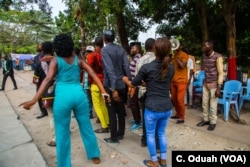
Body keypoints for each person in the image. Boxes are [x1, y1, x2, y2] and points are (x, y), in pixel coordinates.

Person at [19, 34, 110, 166]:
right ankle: (95, 155)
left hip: (62, 98)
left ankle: (64, 164)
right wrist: (103, 91)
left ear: (56, 47)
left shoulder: (56, 61)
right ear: (70, 45)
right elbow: (93, 74)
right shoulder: (78, 60)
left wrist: (34, 100)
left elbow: (48, 79)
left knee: (62, 132)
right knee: (86, 127)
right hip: (79, 96)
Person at [123, 37, 174, 167]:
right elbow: (162, 81)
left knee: (150, 135)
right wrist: (148, 82)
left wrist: (124, 79)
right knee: (161, 133)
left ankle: (153, 161)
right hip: (167, 107)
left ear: (155, 49)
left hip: (152, 107)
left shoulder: (147, 67)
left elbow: (133, 83)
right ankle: (163, 160)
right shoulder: (171, 68)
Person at [101, 29, 132, 143]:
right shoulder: (121, 49)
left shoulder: (105, 51)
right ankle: (121, 134)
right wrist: (129, 83)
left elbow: (110, 70)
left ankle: (114, 137)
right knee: (120, 109)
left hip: (111, 85)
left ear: (105, 39)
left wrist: (113, 89)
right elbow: (126, 67)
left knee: (112, 111)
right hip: (122, 84)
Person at [196, 40, 223, 131]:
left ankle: (213, 122)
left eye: (204, 46)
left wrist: (219, 88)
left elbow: (221, 73)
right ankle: (205, 119)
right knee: (204, 103)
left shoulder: (218, 57)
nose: (202, 47)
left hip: (214, 84)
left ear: (210, 47)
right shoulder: (204, 56)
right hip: (206, 83)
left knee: (213, 104)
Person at [134, 38, 157, 147]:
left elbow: (136, 79)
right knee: (156, 118)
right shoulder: (158, 60)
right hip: (156, 92)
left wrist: (143, 84)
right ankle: (155, 142)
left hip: (143, 92)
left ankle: (144, 140)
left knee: (145, 117)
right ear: (154, 47)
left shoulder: (140, 60)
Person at [34, 41, 56, 147]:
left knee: (51, 116)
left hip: (47, 94)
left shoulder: (39, 63)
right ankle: (65, 132)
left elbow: (35, 81)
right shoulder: (58, 61)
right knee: (62, 114)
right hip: (59, 92)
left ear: (43, 50)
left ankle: (55, 139)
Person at [87, 37, 109, 133]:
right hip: (104, 81)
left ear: (95, 44)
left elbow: (90, 71)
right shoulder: (105, 55)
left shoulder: (91, 56)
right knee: (103, 104)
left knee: (97, 105)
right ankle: (107, 122)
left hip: (95, 82)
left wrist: (88, 81)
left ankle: (104, 126)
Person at [170, 42, 189, 124]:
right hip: (173, 81)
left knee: (179, 99)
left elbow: (182, 66)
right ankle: (178, 114)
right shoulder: (173, 56)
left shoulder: (184, 55)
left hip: (181, 81)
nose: (175, 47)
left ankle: (182, 117)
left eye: (177, 45)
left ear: (181, 46)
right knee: (174, 99)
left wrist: (177, 57)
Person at [128, 44, 142, 131]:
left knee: (133, 103)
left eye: (133, 48)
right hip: (133, 84)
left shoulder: (138, 59)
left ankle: (138, 122)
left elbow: (138, 72)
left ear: (138, 50)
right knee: (134, 103)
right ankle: (137, 119)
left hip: (135, 85)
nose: (131, 49)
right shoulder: (135, 58)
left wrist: (134, 85)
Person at [33, 43, 48, 119]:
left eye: (40, 45)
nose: (38, 46)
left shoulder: (47, 56)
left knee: (45, 96)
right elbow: (36, 69)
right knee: (40, 97)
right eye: (38, 45)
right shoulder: (36, 57)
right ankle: (43, 111)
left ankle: (46, 110)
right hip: (39, 78)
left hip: (46, 79)